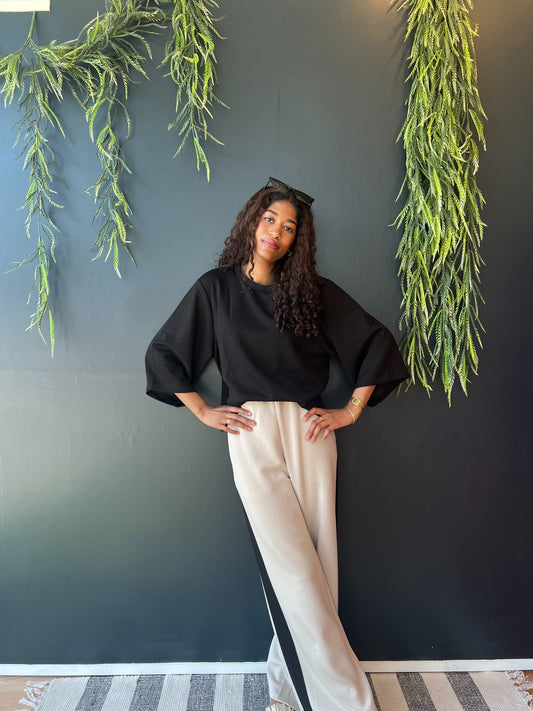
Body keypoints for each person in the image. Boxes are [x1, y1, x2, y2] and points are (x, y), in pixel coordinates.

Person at [145, 177, 409, 711]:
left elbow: (377, 343)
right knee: (290, 571)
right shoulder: (215, 289)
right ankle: (352, 702)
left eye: (289, 227)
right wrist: (203, 410)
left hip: (310, 433)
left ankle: (285, 694)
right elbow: (164, 354)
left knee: (320, 569)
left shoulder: (311, 292)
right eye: (270, 220)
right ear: (252, 222)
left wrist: (349, 411)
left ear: (297, 240)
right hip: (251, 433)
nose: (276, 232)